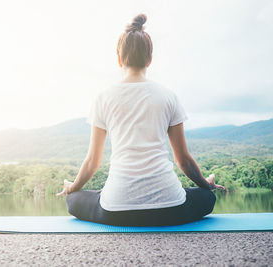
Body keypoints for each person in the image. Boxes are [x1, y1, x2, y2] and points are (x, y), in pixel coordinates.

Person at [56, 14, 225, 227]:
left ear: (119, 58)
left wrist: (72, 188)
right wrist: (206, 185)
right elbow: (183, 160)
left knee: (73, 201)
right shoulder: (168, 96)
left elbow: (93, 161)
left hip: (116, 211)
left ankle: (103, 194)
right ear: (150, 58)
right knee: (207, 198)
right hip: (171, 210)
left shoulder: (103, 98)